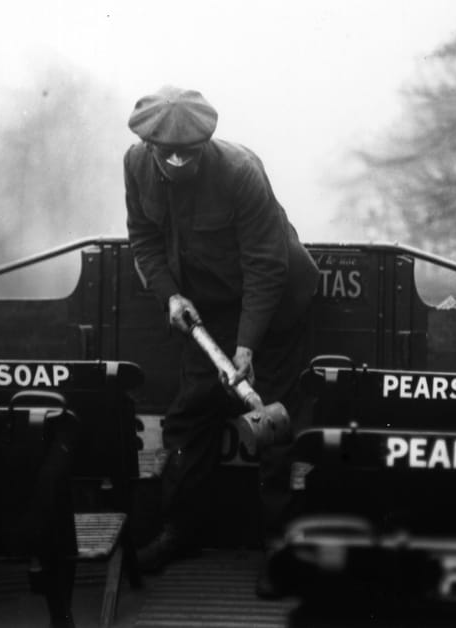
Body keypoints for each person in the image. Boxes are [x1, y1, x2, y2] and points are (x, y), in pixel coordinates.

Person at [122, 86, 319, 587]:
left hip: (271, 306)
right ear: (148, 146)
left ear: (205, 142)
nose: (177, 162)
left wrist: (248, 347)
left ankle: (278, 550)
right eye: (167, 153)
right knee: (190, 415)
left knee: (268, 419)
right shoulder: (135, 165)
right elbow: (143, 238)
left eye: (189, 152)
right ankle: (182, 531)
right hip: (204, 309)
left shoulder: (239, 172)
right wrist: (170, 295)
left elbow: (267, 267)